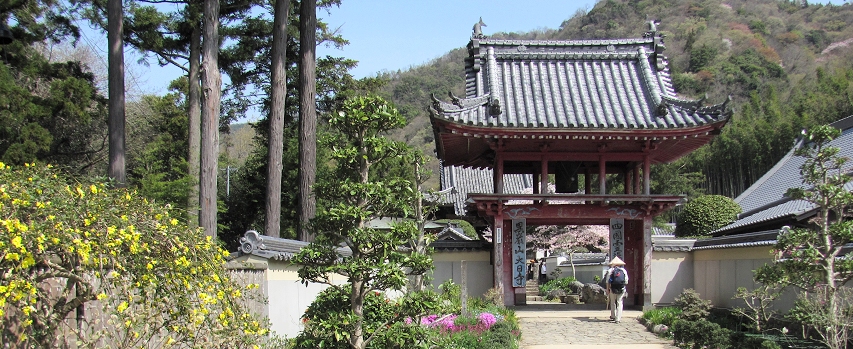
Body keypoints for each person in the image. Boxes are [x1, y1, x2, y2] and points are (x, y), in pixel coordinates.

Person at [605, 256, 629, 323]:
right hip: (621, 288)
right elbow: (626, 281)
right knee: (619, 302)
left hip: (612, 288)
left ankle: (613, 315)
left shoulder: (610, 271)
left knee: (613, 302)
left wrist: (607, 289)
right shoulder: (624, 271)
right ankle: (618, 318)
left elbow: (607, 281)